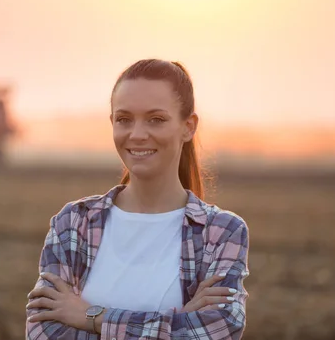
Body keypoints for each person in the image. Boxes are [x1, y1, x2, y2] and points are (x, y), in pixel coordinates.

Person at [25, 59, 250, 340]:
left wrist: (90, 317)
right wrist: (179, 321)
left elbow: (219, 330)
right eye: (124, 119)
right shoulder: (74, 222)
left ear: (188, 127)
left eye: (156, 119)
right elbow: (44, 332)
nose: (137, 134)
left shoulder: (222, 232)